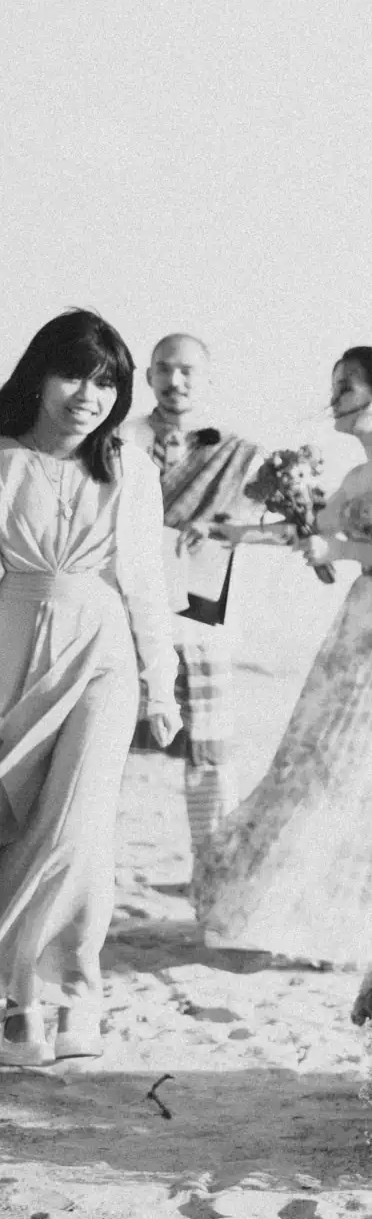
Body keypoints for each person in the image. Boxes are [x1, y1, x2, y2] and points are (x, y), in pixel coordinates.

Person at [194, 347, 372, 962]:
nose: (334, 400)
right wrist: (239, 534)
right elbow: (314, 530)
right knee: (320, 747)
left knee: (362, 756)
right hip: (362, 615)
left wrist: (344, 550)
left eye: (347, 387)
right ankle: (306, 902)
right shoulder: (361, 471)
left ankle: (370, 912)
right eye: (333, 388)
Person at [0, 311, 178, 1067]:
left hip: (102, 653)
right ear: (38, 375)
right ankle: (21, 995)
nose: (88, 395)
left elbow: (146, 584)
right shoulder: (3, 461)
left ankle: (69, 992)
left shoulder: (130, 468)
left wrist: (161, 685)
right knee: (18, 824)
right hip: (12, 648)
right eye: (74, 374)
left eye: (107, 381)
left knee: (75, 828)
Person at [130, 333, 264, 892]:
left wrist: (219, 528)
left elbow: (271, 528)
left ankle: (213, 877)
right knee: (100, 744)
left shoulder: (239, 455)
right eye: (163, 369)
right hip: (129, 617)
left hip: (201, 622)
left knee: (208, 756)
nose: (174, 381)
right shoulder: (119, 441)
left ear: (207, 380)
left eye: (187, 371)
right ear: (148, 377)